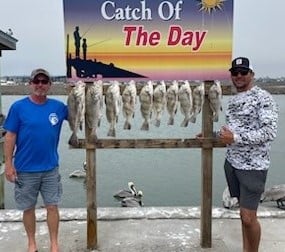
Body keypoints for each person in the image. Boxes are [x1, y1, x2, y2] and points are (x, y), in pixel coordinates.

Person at [4, 68, 68, 252]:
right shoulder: (18, 107)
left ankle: (54, 244)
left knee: (52, 207)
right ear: (30, 83)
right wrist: (9, 164)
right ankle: (32, 244)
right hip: (25, 169)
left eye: (44, 81)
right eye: (37, 81)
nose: (40, 85)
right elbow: (10, 136)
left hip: (50, 168)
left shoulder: (58, 107)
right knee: (28, 208)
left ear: (50, 85)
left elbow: (82, 112)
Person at [218, 57, 278, 251]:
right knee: (244, 216)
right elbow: (232, 131)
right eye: (235, 73)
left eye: (243, 72)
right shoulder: (234, 100)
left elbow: (269, 132)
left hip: (253, 167)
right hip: (233, 164)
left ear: (252, 75)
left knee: (249, 217)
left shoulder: (263, 98)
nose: (238, 76)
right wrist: (212, 135)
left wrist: (235, 137)